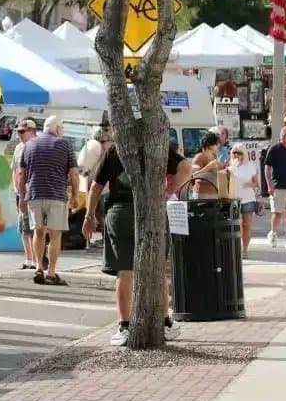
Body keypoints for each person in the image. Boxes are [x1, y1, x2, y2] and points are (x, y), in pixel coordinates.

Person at [82, 141, 178, 346]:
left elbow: (96, 186)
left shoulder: (116, 150)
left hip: (121, 211)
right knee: (157, 268)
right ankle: (165, 322)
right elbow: (185, 166)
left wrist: (89, 215)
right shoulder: (156, 143)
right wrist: (171, 192)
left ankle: (125, 326)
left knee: (125, 271)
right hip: (153, 210)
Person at [18, 116, 79, 286]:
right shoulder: (65, 144)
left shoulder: (29, 145)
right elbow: (74, 173)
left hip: (34, 193)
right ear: (58, 129)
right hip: (57, 194)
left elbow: (21, 174)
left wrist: (22, 196)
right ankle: (51, 272)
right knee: (55, 234)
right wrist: (75, 194)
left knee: (38, 232)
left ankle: (38, 266)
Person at [12, 119, 38, 269]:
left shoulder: (35, 146)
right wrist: (15, 187)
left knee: (33, 226)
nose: (19, 134)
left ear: (31, 131)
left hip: (31, 191)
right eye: (18, 131)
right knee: (23, 226)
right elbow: (15, 169)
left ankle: (35, 259)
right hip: (20, 191)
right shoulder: (18, 148)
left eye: (22, 131)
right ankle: (28, 258)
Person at [229, 144, 259, 258]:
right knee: (236, 225)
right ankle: (236, 248)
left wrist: (249, 184)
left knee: (247, 225)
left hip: (248, 198)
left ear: (244, 153)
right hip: (235, 199)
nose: (237, 155)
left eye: (239, 153)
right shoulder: (231, 166)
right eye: (234, 153)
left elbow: (256, 183)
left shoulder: (251, 165)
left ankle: (245, 249)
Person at [191, 131, 222, 198]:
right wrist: (208, 167)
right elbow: (193, 176)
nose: (218, 146)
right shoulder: (199, 157)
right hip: (202, 195)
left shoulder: (214, 156)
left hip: (214, 194)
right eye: (216, 144)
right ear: (209, 145)